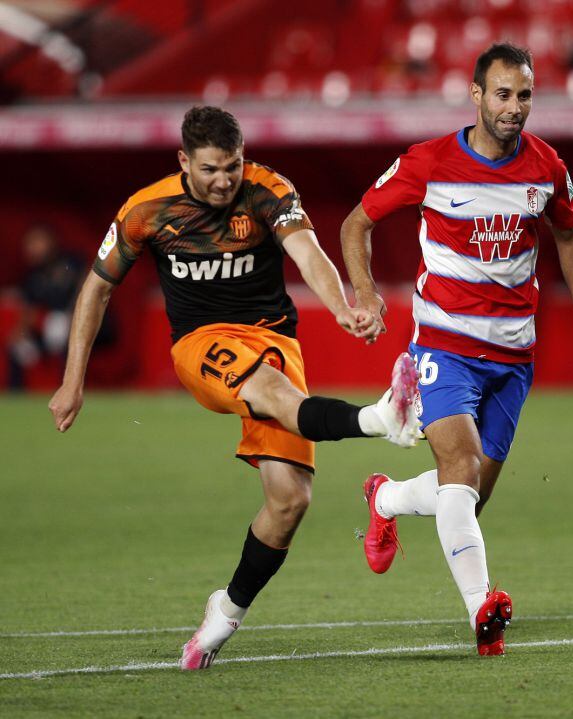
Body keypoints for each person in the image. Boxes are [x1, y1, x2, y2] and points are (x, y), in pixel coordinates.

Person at [47, 106, 422, 671]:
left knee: (290, 500)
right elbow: (96, 290)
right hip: (202, 343)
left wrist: (343, 305)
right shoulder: (145, 211)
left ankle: (223, 615)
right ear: (184, 162)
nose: (224, 180)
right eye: (211, 170)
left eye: (233, 166)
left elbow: (307, 251)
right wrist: (73, 380)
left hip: (273, 339)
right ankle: (381, 420)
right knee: (270, 388)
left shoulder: (268, 190)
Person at [340, 43, 573, 656]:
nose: (515, 108)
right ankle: (482, 611)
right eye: (504, 95)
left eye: (525, 96)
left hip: (514, 358)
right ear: (477, 95)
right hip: (443, 343)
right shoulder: (429, 161)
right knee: (458, 469)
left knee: (466, 496)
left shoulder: (547, 167)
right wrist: (366, 294)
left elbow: (570, 236)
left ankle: (384, 496)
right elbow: (357, 222)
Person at [6, 225, 88, 390]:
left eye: (37, 241)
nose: (33, 248)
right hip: (51, 328)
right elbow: (28, 310)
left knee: (67, 339)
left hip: (82, 324)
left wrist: (72, 318)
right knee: (16, 347)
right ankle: (15, 397)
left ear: (51, 241)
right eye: (29, 243)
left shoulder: (72, 263)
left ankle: (68, 391)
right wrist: (21, 334)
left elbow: (88, 291)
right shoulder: (32, 276)